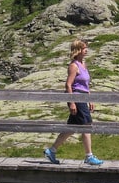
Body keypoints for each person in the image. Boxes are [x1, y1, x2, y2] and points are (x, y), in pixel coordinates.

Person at [43, 38, 104, 166]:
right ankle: (89, 156)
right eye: (84, 48)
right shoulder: (74, 66)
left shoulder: (83, 65)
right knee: (87, 125)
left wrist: (90, 99)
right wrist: (71, 102)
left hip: (83, 97)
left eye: (86, 47)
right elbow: (68, 85)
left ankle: (51, 150)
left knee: (71, 128)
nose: (86, 50)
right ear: (78, 50)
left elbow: (85, 85)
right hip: (76, 97)